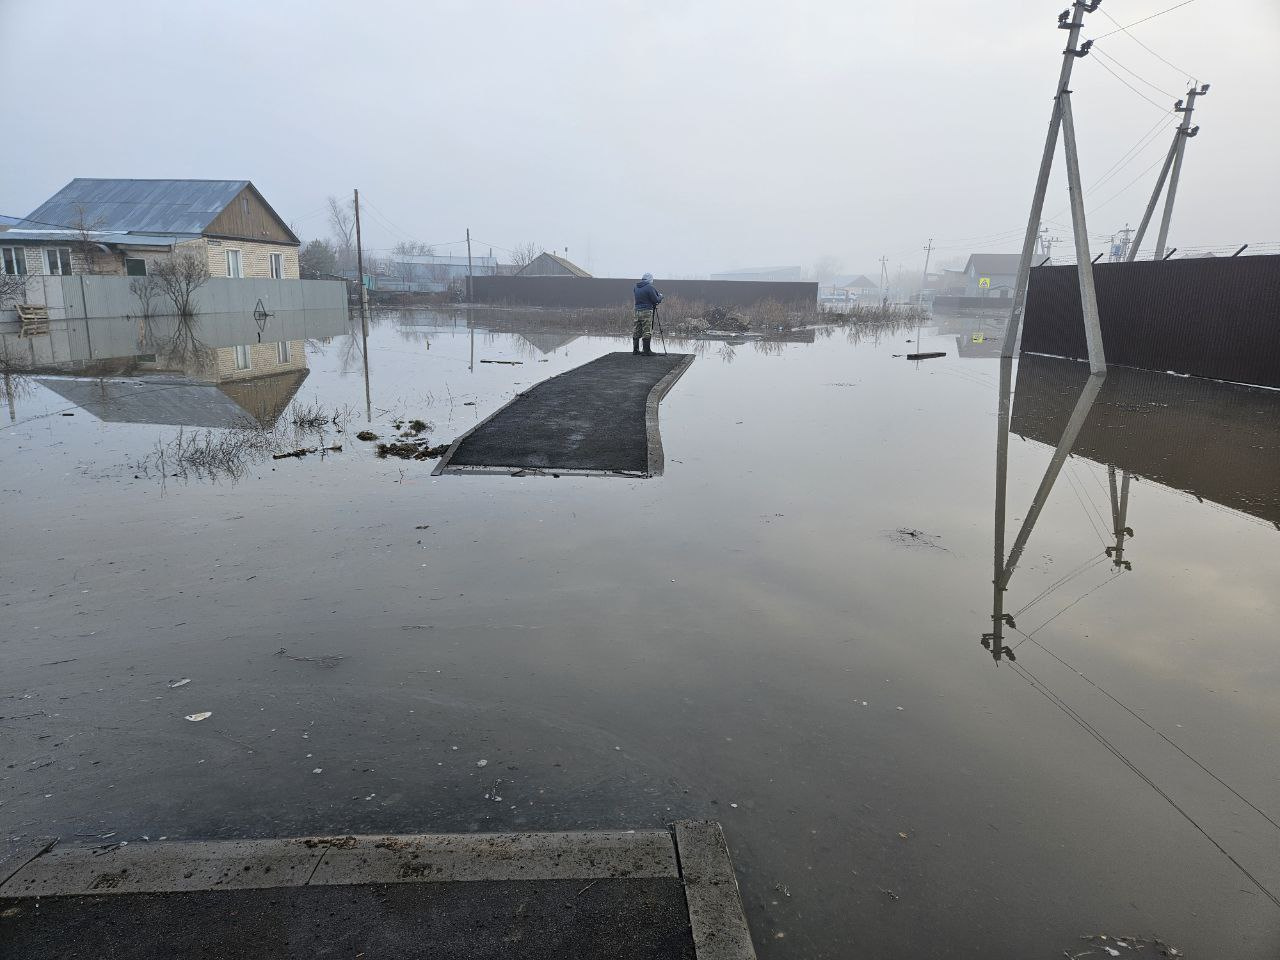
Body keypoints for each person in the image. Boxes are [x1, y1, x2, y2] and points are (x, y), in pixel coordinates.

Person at [632, 272, 663, 355]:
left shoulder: (636, 287)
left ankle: (635, 350)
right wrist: (661, 296)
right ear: (650, 279)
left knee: (636, 329)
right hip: (646, 311)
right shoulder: (649, 287)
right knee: (647, 330)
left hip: (637, 311)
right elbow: (656, 300)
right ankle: (646, 351)